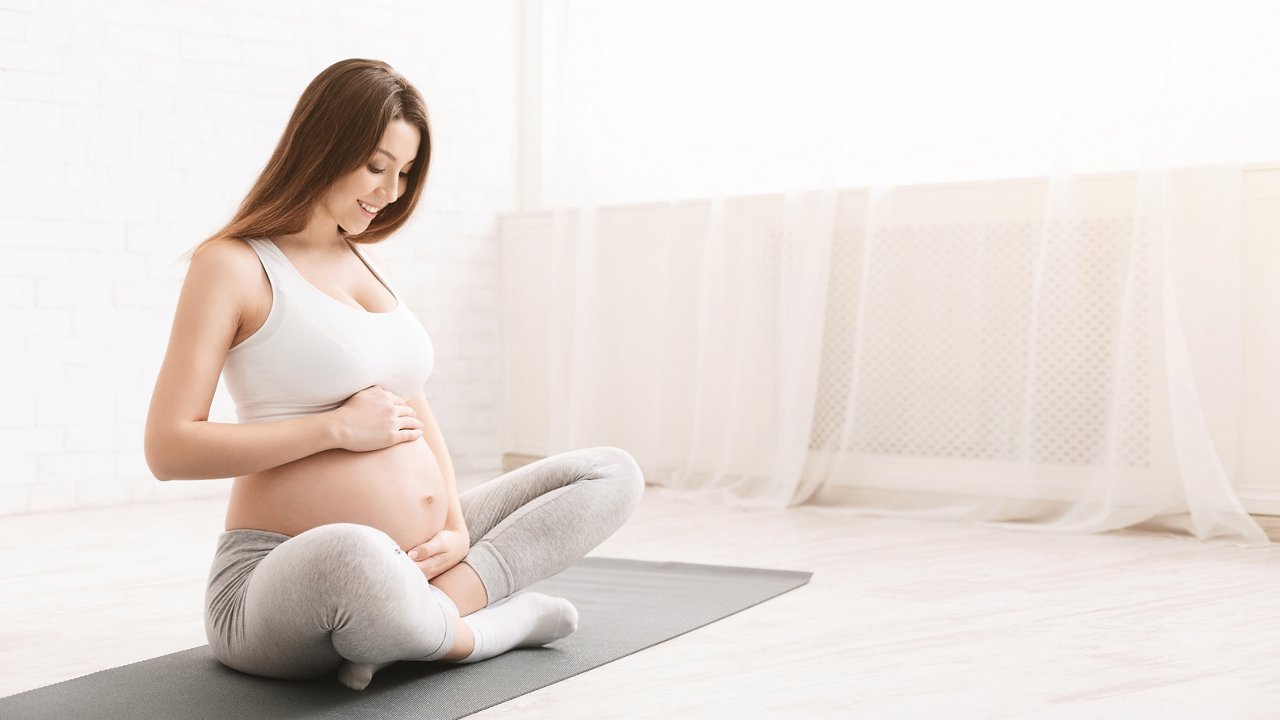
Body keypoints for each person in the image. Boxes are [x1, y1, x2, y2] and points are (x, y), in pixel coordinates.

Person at [143, 58, 644, 691]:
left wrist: (456, 531)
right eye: (377, 167)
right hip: (282, 577)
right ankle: (488, 629)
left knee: (610, 474)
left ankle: (416, 620)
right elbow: (168, 448)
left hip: (423, 562)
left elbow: (415, 407)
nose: (392, 191)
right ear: (320, 146)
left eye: (404, 173)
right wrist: (335, 430)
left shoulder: (362, 261)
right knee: (355, 552)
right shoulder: (233, 265)